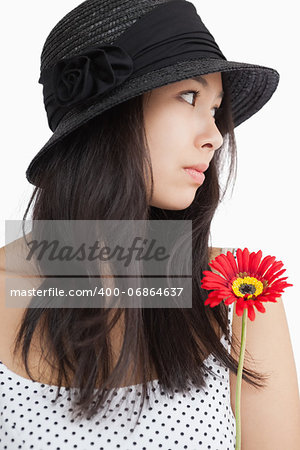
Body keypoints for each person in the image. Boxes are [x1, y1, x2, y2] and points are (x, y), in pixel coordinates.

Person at [0, 0, 299, 448]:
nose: (215, 136)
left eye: (216, 108)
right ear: (107, 118)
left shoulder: (240, 292)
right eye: (189, 96)